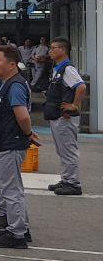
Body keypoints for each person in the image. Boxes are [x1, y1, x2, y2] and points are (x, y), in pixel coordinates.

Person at [0, 44, 35, 249]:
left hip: (8, 144)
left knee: (11, 190)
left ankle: (17, 234)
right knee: (9, 188)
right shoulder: (5, 82)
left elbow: (22, 115)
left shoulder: (15, 85)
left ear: (12, 64)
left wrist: (28, 134)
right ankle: (18, 226)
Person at [46, 37, 86, 196]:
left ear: (63, 50)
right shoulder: (58, 68)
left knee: (68, 150)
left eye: (53, 48)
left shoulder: (67, 69)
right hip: (57, 116)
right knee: (62, 149)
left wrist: (74, 105)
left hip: (65, 117)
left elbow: (81, 87)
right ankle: (67, 179)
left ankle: (73, 183)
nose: (50, 51)